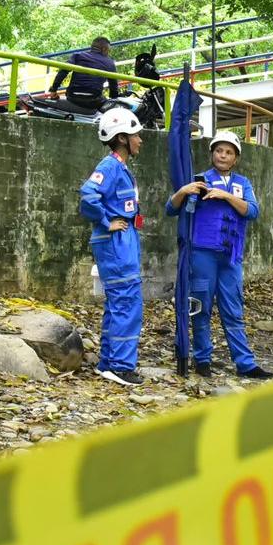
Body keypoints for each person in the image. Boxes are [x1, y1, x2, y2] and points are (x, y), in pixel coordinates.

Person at [79, 108, 200, 386]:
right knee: (127, 303)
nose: (140, 140)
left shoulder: (120, 168)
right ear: (122, 138)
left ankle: (108, 363)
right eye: (136, 135)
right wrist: (108, 221)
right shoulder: (109, 166)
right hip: (116, 241)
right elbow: (88, 194)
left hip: (124, 239)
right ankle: (120, 367)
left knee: (119, 302)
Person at [166, 131, 273, 380]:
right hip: (202, 254)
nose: (223, 156)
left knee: (233, 310)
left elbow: (253, 211)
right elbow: (170, 208)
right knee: (201, 307)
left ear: (235, 158)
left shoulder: (242, 183)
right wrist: (184, 191)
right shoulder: (199, 179)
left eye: (228, 152)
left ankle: (245, 363)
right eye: (219, 151)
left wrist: (226, 196)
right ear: (212, 153)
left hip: (230, 257)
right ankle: (202, 359)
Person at [51, 37, 121, 111]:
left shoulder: (77, 55)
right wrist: (114, 99)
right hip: (94, 100)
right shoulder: (109, 62)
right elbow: (113, 85)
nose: (108, 53)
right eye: (108, 50)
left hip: (72, 97)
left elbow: (63, 71)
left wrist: (54, 89)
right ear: (104, 49)